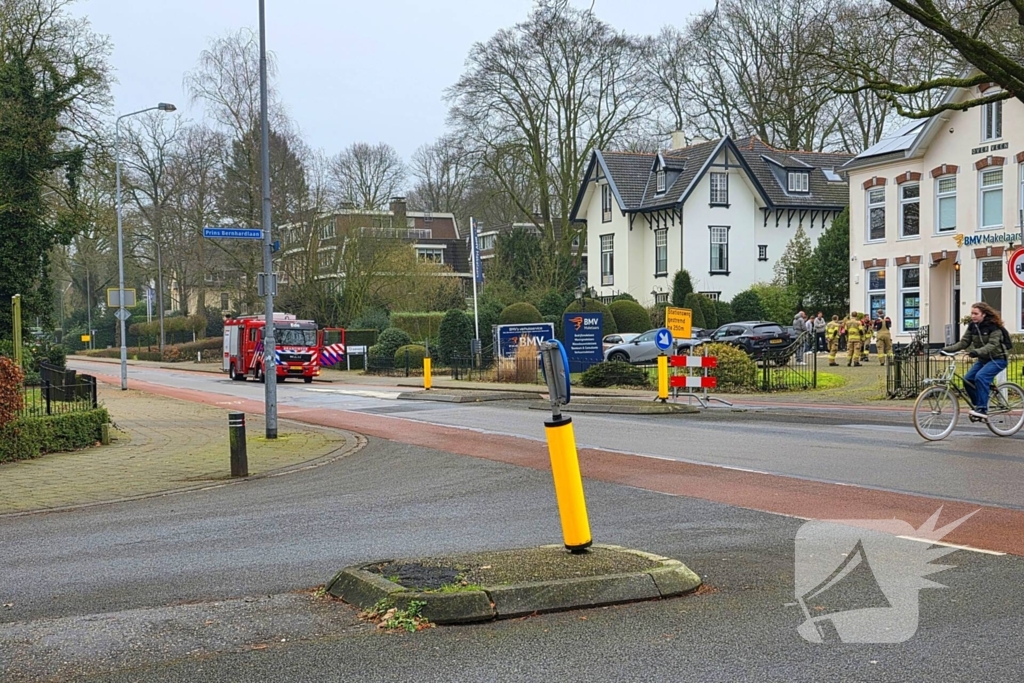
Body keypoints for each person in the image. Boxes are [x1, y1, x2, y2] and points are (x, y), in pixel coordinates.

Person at [941, 302, 1010, 419]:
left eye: (976, 313)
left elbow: (992, 345)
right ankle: (978, 405)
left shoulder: (994, 326)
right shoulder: (973, 326)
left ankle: (982, 409)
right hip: (983, 359)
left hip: (998, 359)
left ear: (984, 314)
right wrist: (945, 350)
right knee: (968, 379)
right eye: (971, 313)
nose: (973, 316)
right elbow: (964, 342)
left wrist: (976, 352)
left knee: (981, 377)